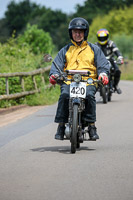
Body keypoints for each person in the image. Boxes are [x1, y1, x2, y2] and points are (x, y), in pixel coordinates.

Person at [49, 17, 110, 141]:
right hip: (69, 81)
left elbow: (103, 65)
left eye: (80, 31)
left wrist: (103, 74)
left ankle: (92, 126)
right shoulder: (65, 50)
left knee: (89, 96)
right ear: (71, 33)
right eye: (75, 31)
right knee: (64, 95)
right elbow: (57, 64)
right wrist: (54, 75)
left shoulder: (94, 49)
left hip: (89, 81)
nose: (77, 34)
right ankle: (61, 126)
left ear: (85, 33)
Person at [96, 28, 124, 94]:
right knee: (95, 72)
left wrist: (120, 57)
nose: (102, 39)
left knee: (117, 71)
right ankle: (96, 86)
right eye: (101, 38)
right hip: (101, 62)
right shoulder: (96, 45)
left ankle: (116, 85)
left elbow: (117, 51)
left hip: (111, 60)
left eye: (104, 37)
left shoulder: (111, 43)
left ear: (107, 37)